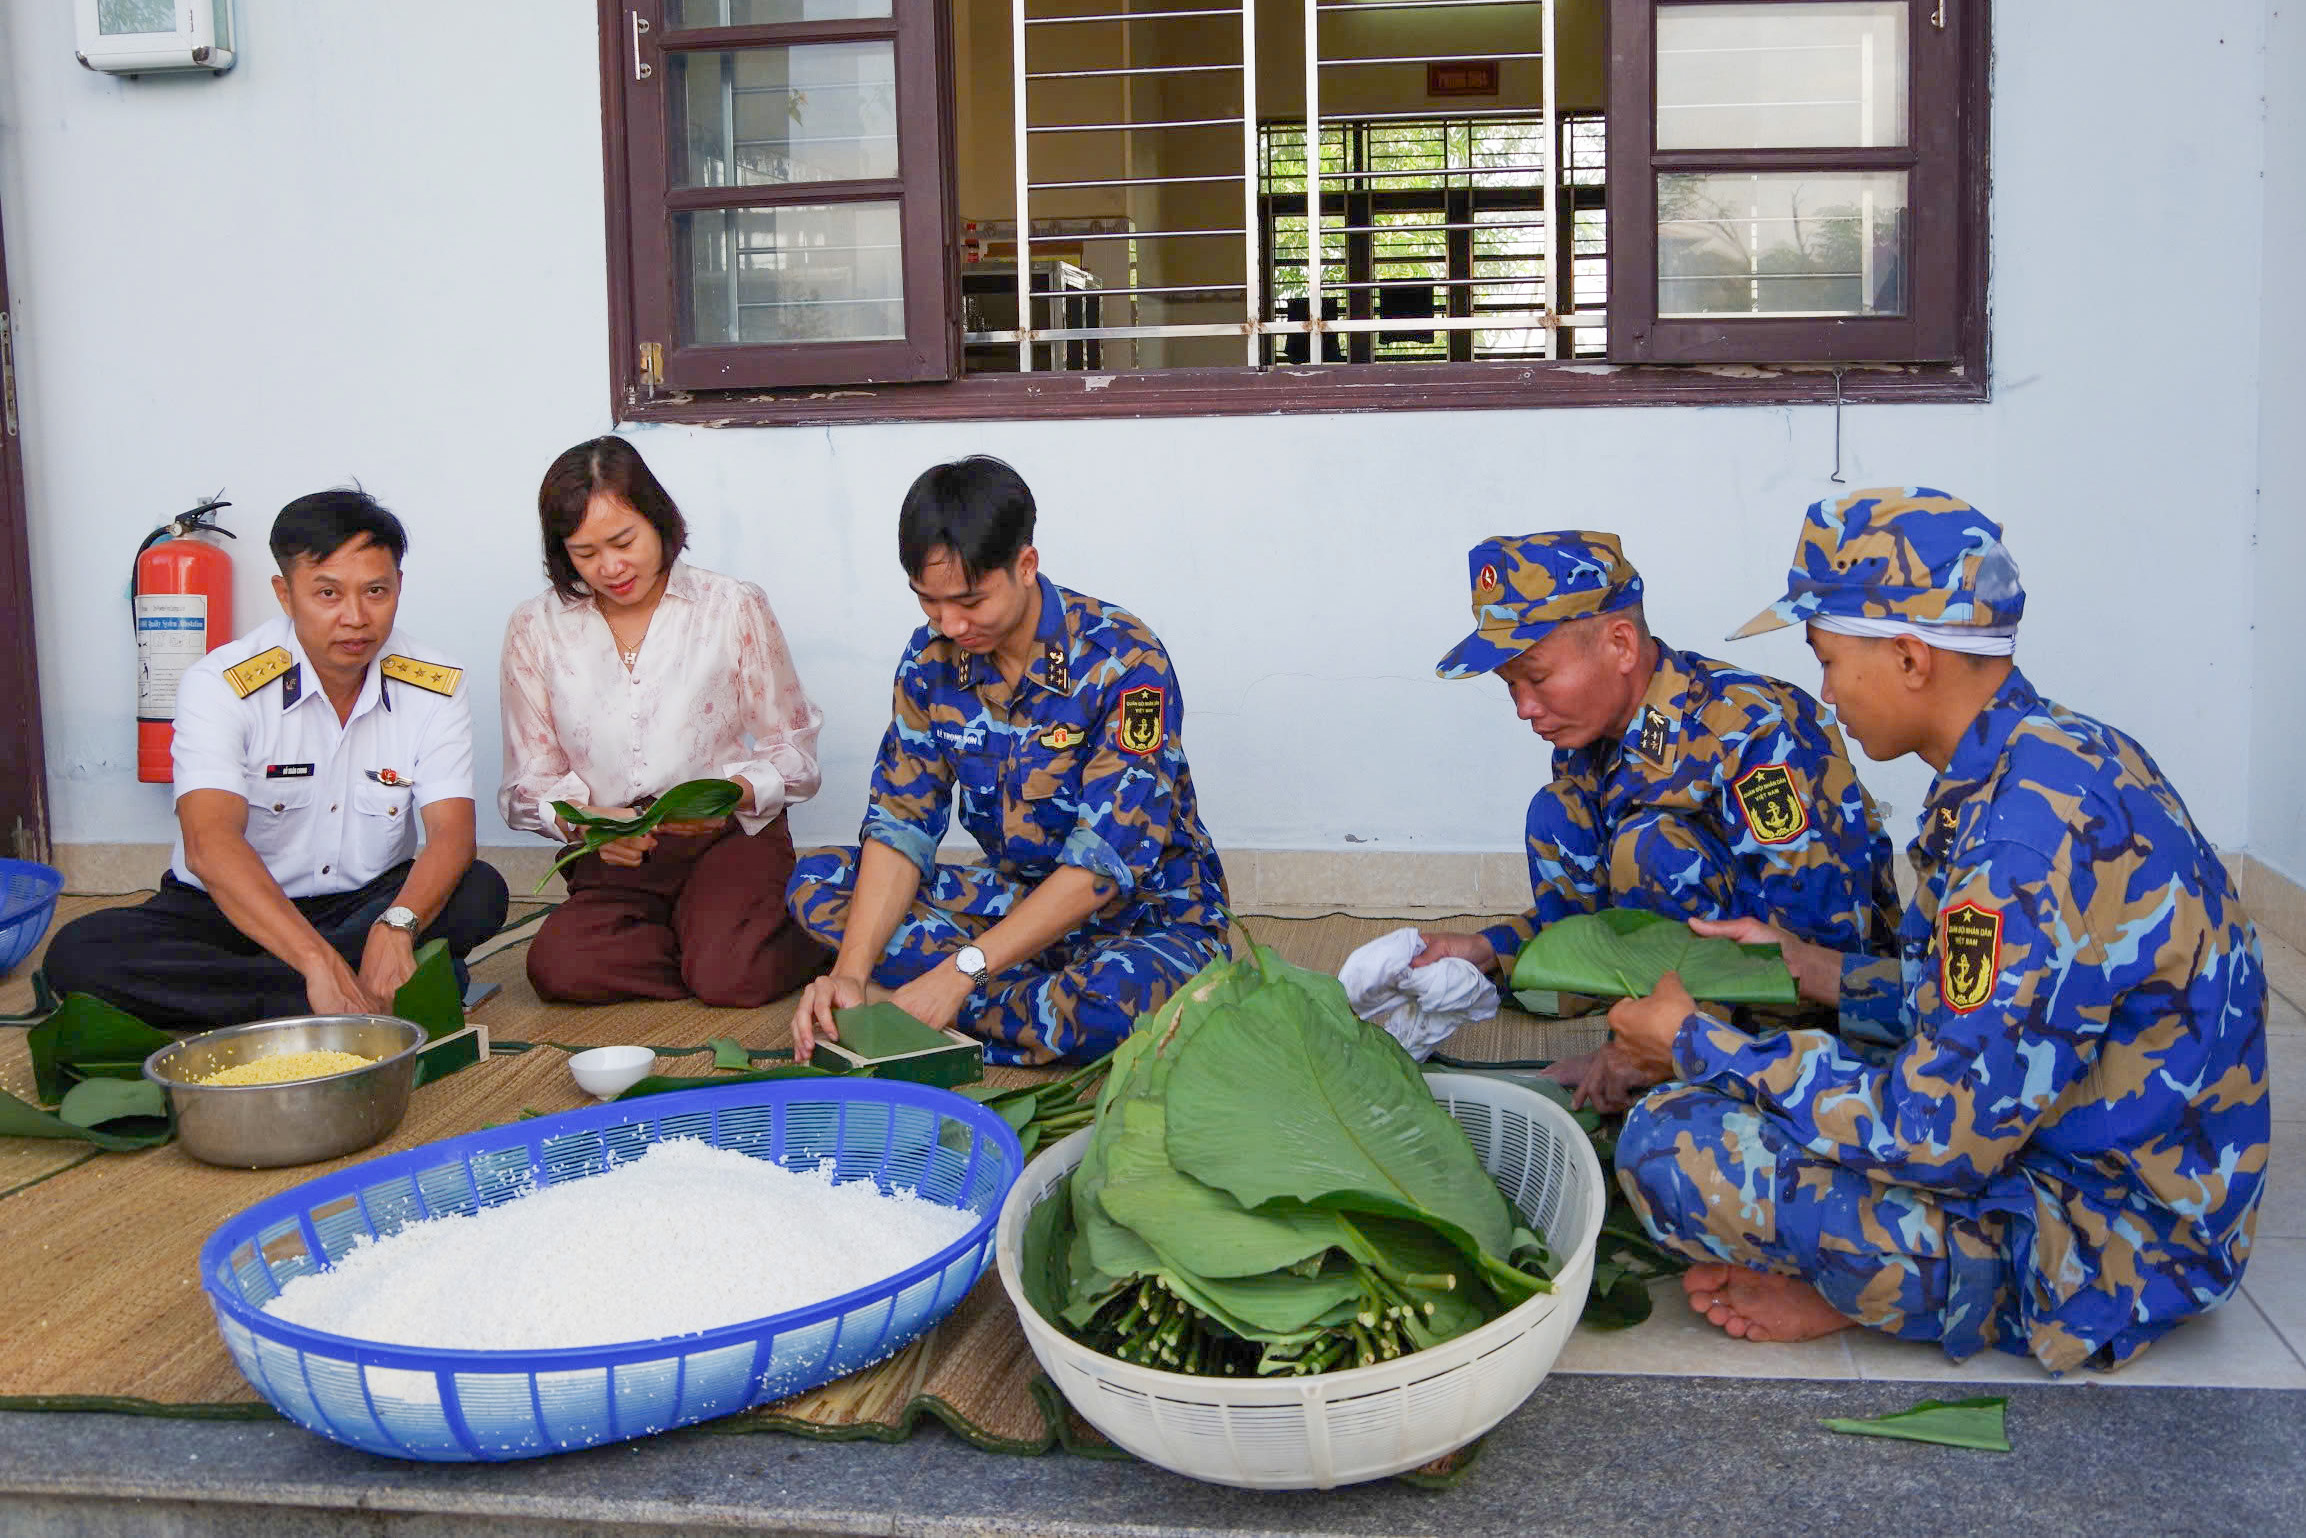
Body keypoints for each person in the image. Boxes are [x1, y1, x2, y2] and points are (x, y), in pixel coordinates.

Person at [1606, 488, 2269, 1373]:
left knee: (1671, 1143)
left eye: (1831, 660)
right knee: (1787, 1068)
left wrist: (1696, 1044)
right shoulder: (2050, 754)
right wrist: (1817, 972)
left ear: (1912, 659)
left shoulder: (2016, 848)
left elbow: (1938, 1133)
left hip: (2116, 1248)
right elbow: (1994, 1006)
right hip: (2111, 1163)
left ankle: (1930, 1293)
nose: (1827, 693)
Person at [1414, 531, 1899, 1109]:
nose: (1524, 707)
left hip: (1800, 1014)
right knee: (1557, 814)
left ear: (1620, 645)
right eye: (1510, 686)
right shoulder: (1586, 739)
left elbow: (1821, 943)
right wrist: (1484, 950)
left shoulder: (1752, 732)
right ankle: (1632, 1023)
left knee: (1651, 845)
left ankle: (1670, 1053)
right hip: (1677, 980)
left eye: (1537, 678)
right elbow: (1608, 919)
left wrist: (1685, 1045)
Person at [786, 456, 1228, 1065]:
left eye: (969, 601)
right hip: (1017, 903)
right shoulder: (931, 662)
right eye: (928, 602)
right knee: (820, 881)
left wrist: (961, 972)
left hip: (1145, 918)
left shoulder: (1126, 663)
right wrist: (852, 975)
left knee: (1113, 1003)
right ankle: (990, 1004)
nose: (950, 623)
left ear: (1025, 565)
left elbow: (1103, 867)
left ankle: (935, 1004)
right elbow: (901, 824)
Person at [41, 490, 509, 1029]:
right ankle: (332, 990)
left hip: (366, 906)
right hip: (231, 911)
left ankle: (300, 992)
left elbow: (452, 835)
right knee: (81, 953)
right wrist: (314, 959)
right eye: (328, 593)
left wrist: (398, 925)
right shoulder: (220, 685)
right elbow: (210, 846)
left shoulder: (434, 682)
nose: (355, 618)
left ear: (398, 586)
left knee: (480, 889)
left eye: (375, 592)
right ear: (284, 594)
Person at [499, 437, 830, 1007]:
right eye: (584, 552)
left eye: (624, 540)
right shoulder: (536, 627)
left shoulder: (731, 606)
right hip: (614, 852)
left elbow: (794, 751)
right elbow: (524, 785)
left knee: (732, 980)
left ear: (658, 519)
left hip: (727, 840)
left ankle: (768, 941)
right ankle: (711, 943)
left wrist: (734, 793)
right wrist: (586, 824)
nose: (611, 566)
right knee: (559, 970)